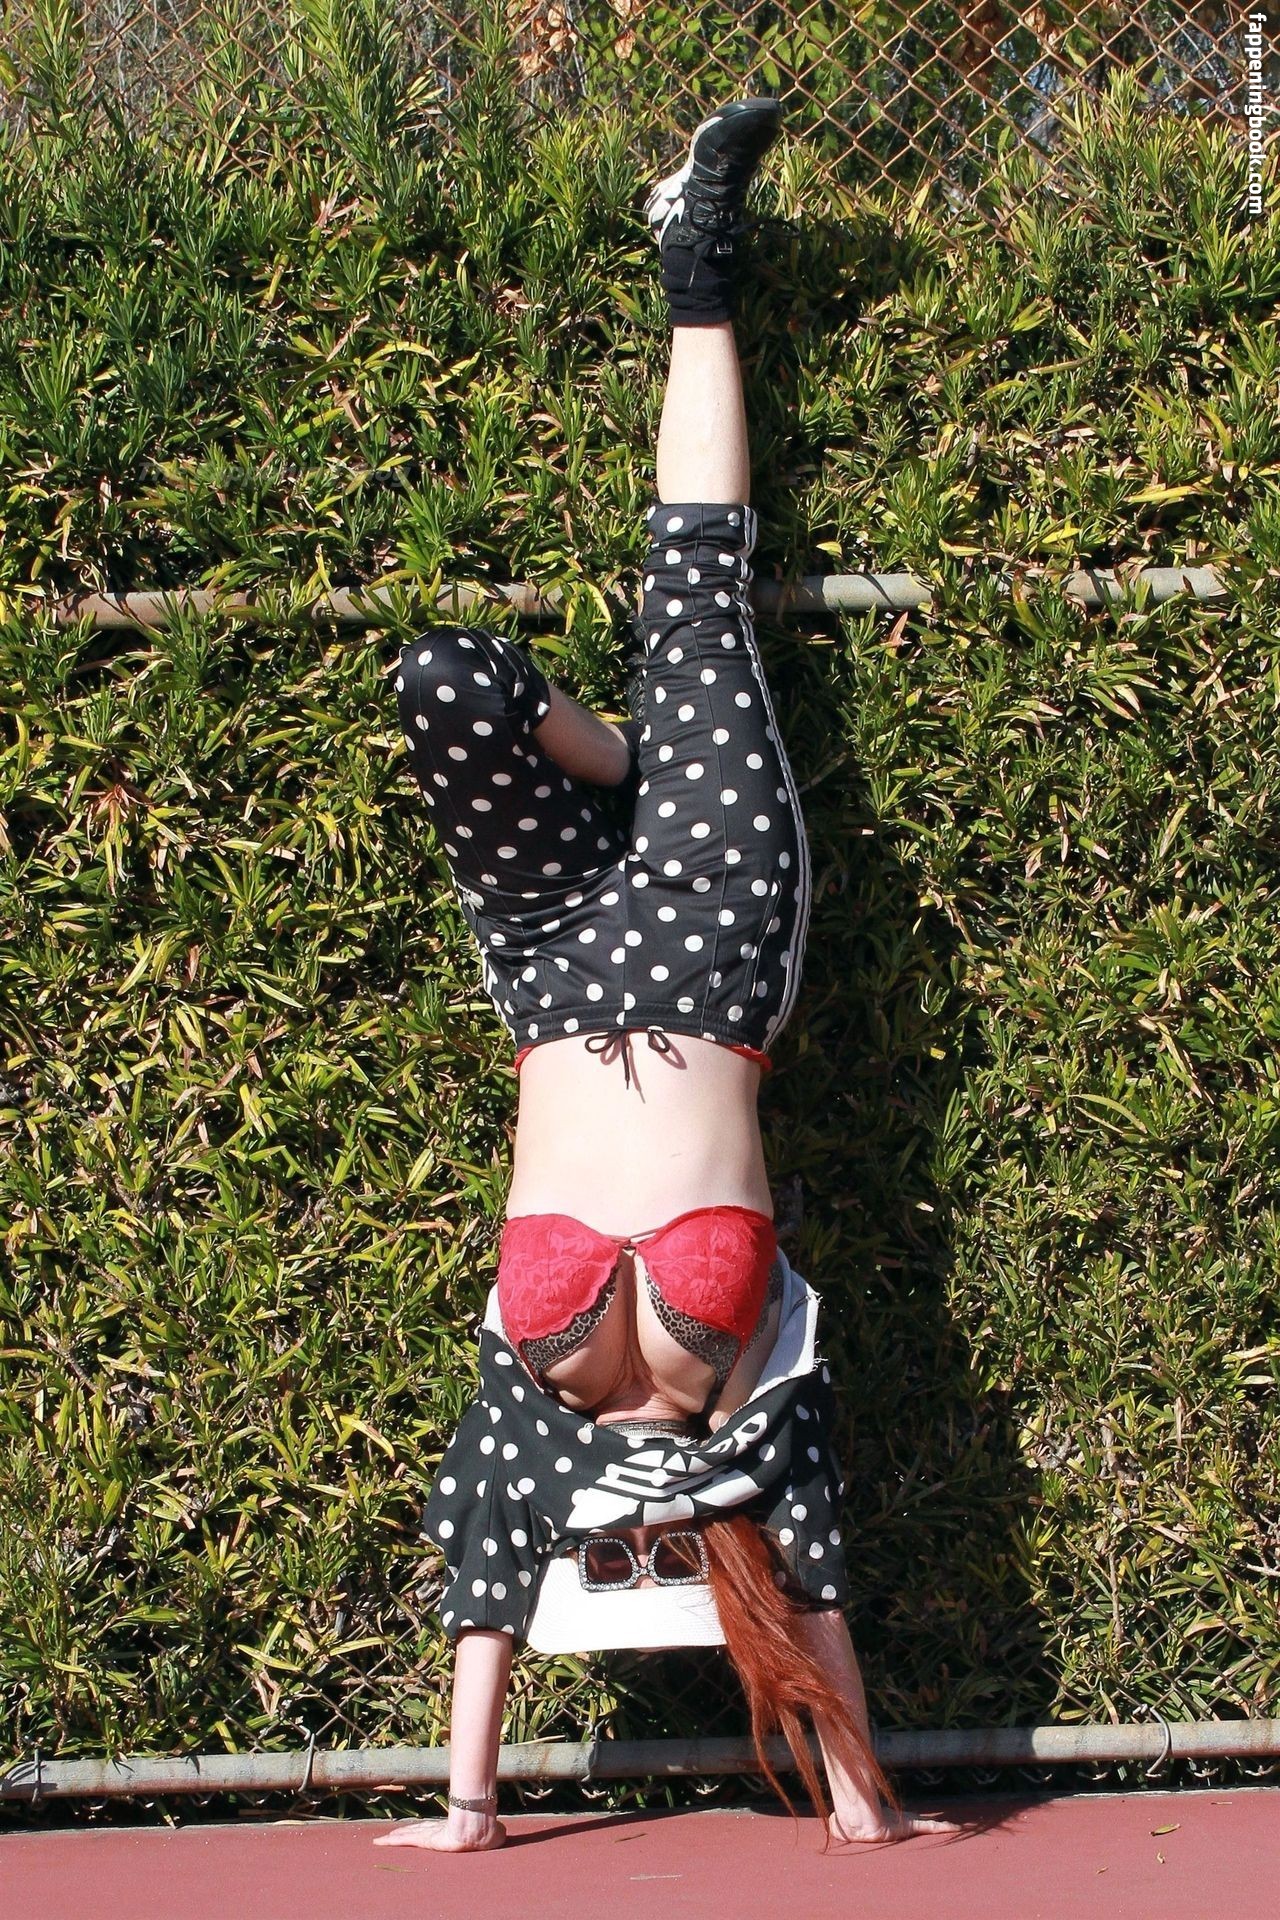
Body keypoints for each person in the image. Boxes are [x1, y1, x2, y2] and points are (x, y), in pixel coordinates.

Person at [375, 99, 958, 1856]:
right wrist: (861, 1801)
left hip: (555, 964)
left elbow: (486, 1561)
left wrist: (467, 1808)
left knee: (446, 681)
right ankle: (698, 256)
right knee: (697, 591)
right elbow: (819, 1566)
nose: (639, 1520)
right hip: (713, 945)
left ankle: (608, 760)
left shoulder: (525, 1413)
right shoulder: (762, 1415)